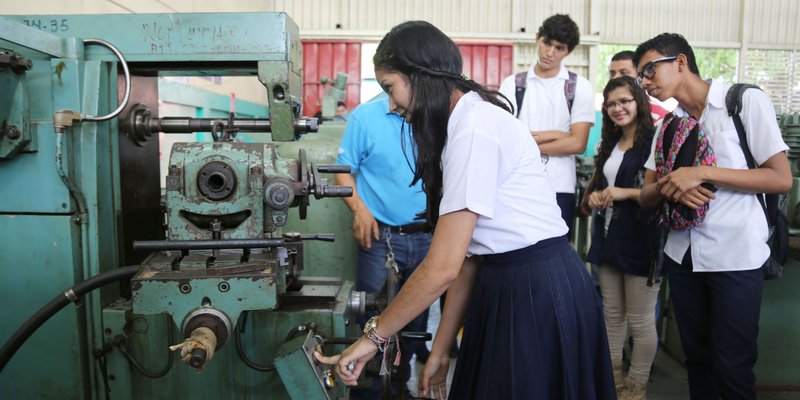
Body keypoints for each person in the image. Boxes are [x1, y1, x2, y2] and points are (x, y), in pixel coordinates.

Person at [316, 20, 616, 400]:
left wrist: (372, 338)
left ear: (421, 77)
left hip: (533, 288)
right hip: (509, 280)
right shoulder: (463, 123)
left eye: (391, 89)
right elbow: (468, 259)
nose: (391, 105)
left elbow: (441, 267)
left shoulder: (474, 128)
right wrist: (440, 349)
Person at [635, 33, 791, 399]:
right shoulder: (668, 127)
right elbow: (645, 196)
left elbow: (780, 178)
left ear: (681, 62)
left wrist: (703, 172)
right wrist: (669, 185)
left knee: (732, 366)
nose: (645, 82)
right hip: (683, 256)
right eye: (640, 76)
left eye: (649, 70)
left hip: (735, 257)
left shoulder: (742, 102)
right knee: (698, 363)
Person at [335, 94, 433, 398]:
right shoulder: (365, 117)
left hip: (429, 237)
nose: (392, 102)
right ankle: (368, 393)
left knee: (415, 322)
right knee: (372, 322)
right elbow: (342, 171)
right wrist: (359, 210)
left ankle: (400, 387)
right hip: (381, 239)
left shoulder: (434, 115)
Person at [582, 76, 661, 400]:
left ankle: (635, 388)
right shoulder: (610, 143)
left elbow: (661, 190)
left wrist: (622, 192)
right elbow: (603, 186)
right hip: (609, 236)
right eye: (612, 104)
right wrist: (599, 196)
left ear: (638, 102)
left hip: (641, 238)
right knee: (611, 315)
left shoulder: (655, 140)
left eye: (625, 101)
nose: (618, 108)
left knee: (641, 320)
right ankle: (611, 384)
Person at [499, 14, 595, 239]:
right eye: (546, 43)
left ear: (568, 51)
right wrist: (559, 135)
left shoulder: (579, 87)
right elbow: (506, 139)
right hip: (517, 184)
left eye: (559, 47)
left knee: (555, 253)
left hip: (559, 187)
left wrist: (527, 141)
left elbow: (577, 143)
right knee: (516, 250)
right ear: (537, 38)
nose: (550, 52)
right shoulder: (512, 84)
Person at [608, 51, 670, 121]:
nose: (615, 78)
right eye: (612, 74)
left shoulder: (659, 117)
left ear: (639, 76)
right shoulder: (611, 111)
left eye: (623, 73)